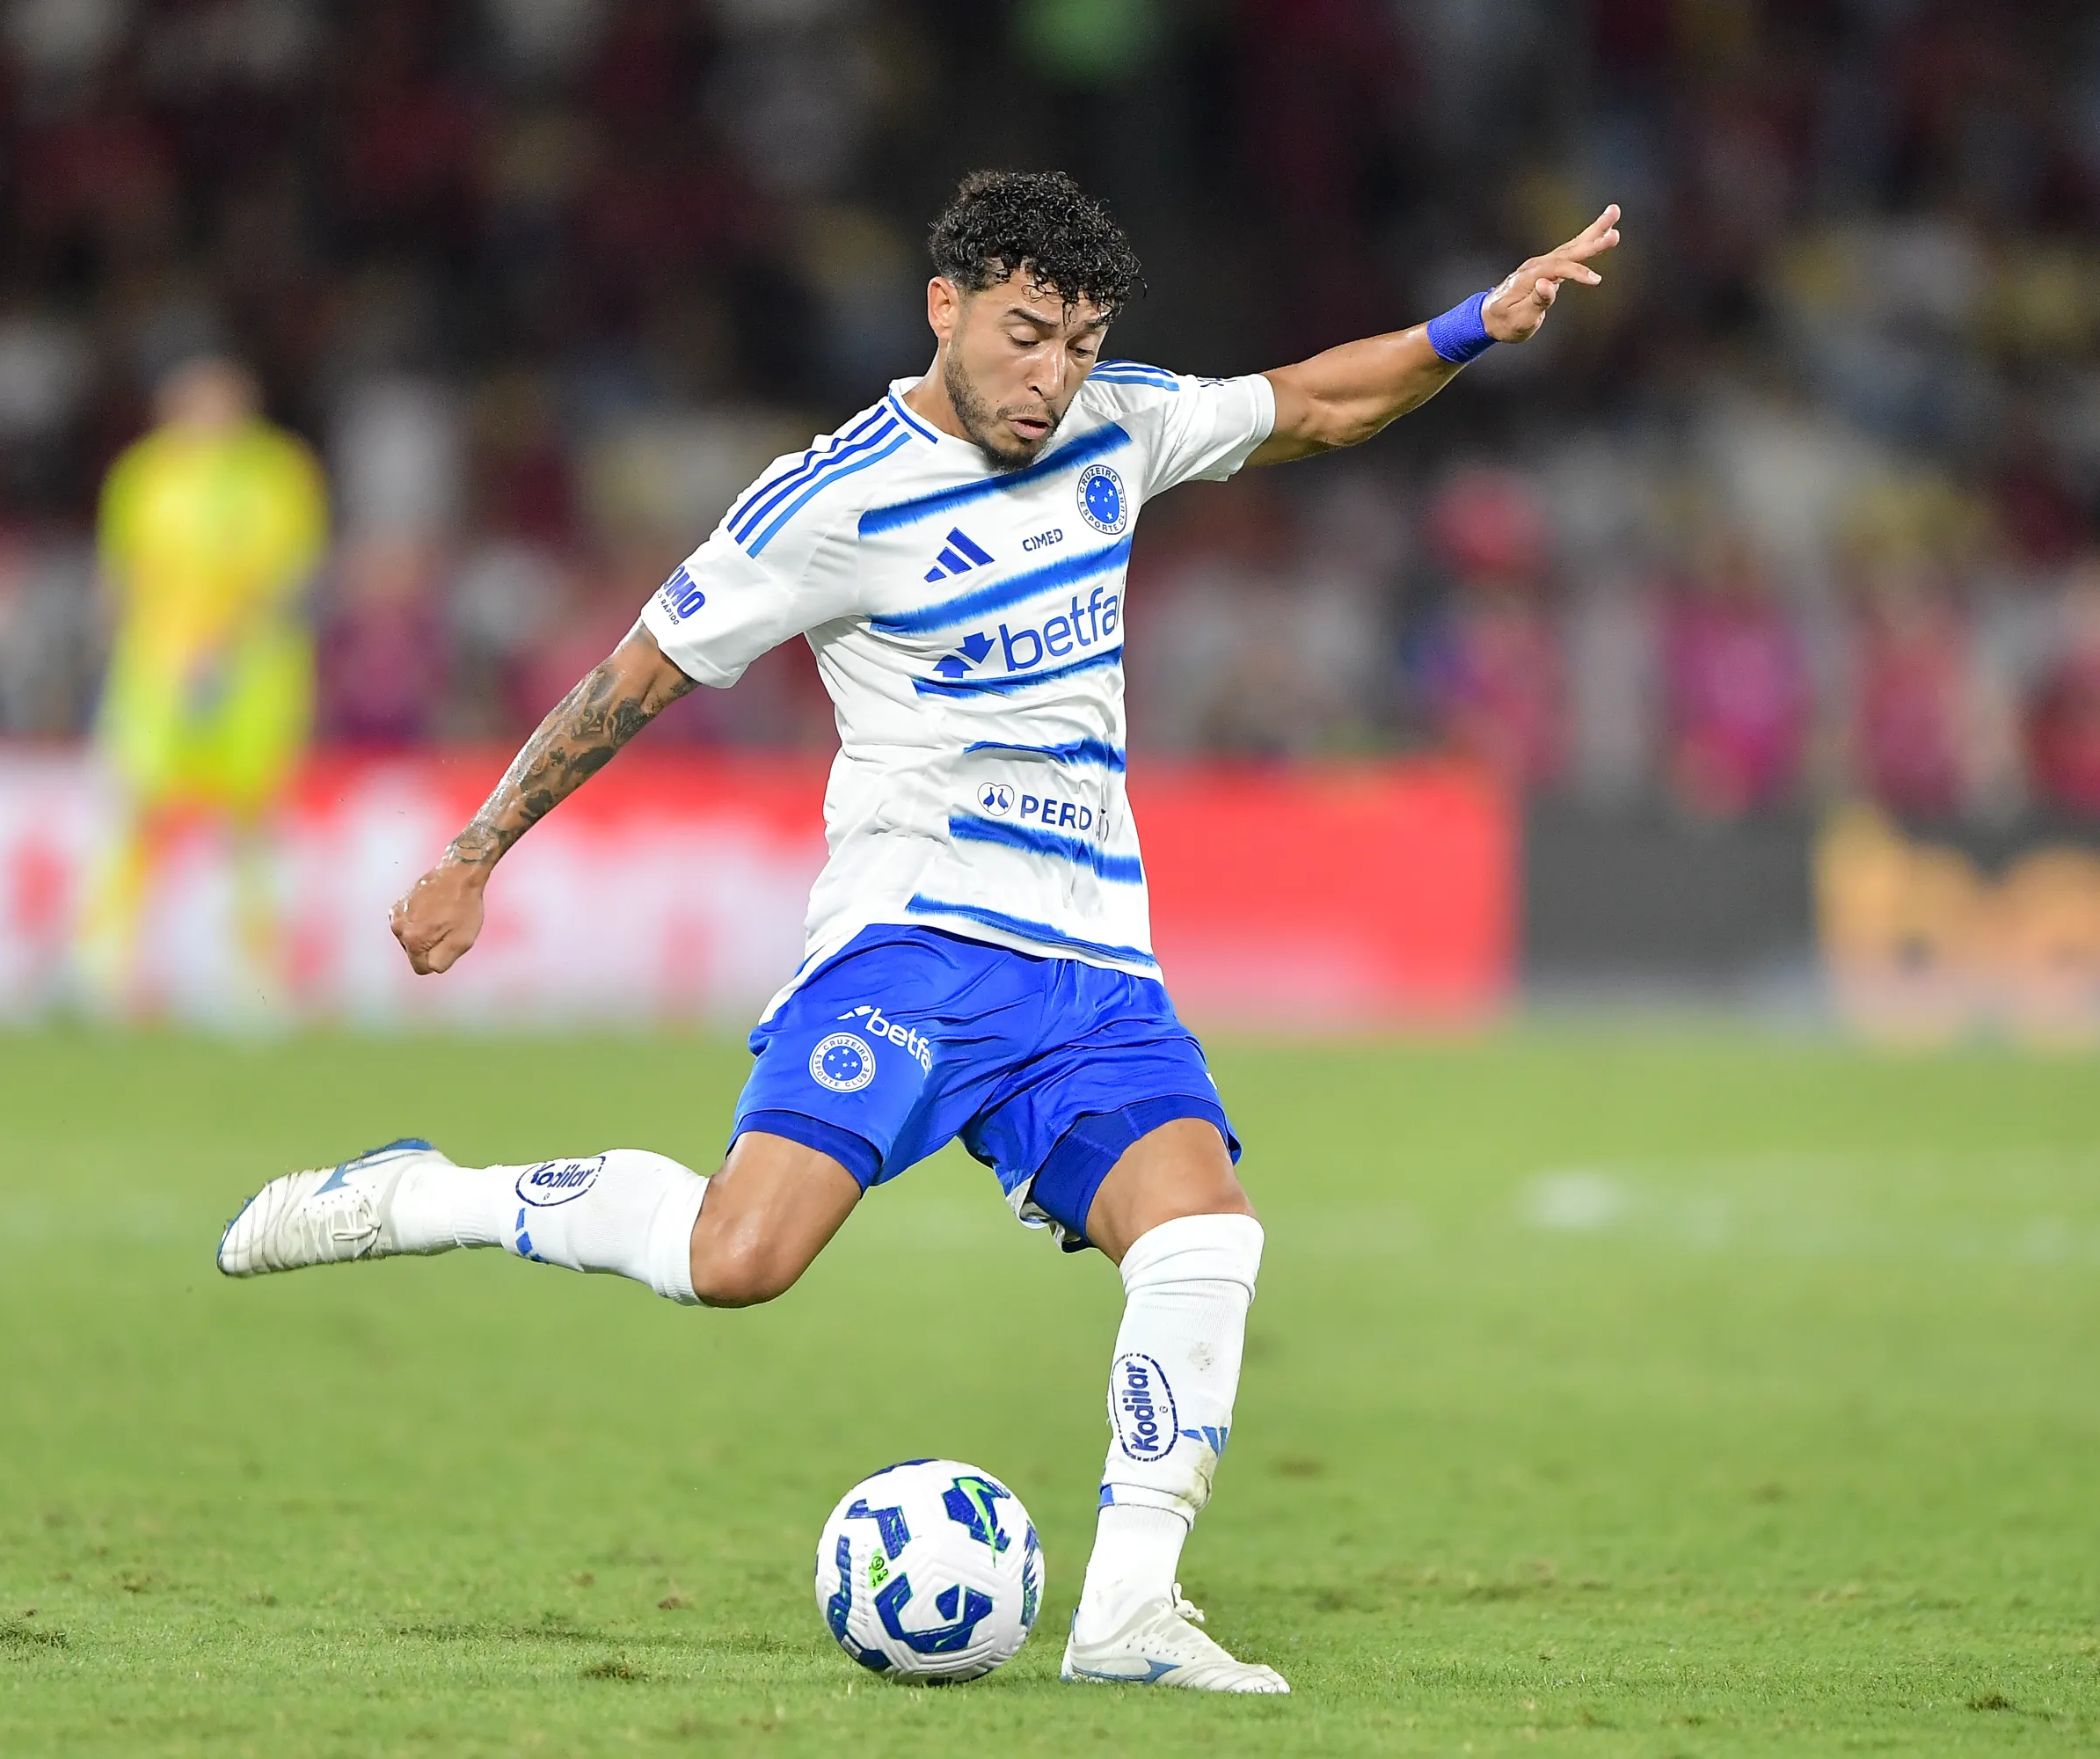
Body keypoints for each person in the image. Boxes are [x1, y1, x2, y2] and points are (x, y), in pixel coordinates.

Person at [215, 172, 1615, 1691]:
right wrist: (477, 850)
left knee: (1205, 1231)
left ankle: (1130, 1614)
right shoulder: (829, 502)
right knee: (738, 1260)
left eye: (1080, 341)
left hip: (1092, 968)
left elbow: (1318, 405)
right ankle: (433, 1196)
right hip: (914, 946)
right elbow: (635, 675)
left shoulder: (1114, 429)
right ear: (944, 308)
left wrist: (1483, 318)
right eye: (1026, 335)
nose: (1053, 376)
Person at [74, 355, 327, 1018]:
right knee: (133, 812)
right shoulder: (144, 473)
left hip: (251, 678)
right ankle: (105, 971)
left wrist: (224, 645)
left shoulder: (278, 474)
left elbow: (288, 575)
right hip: (155, 674)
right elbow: (120, 572)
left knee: (252, 823)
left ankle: (256, 982)